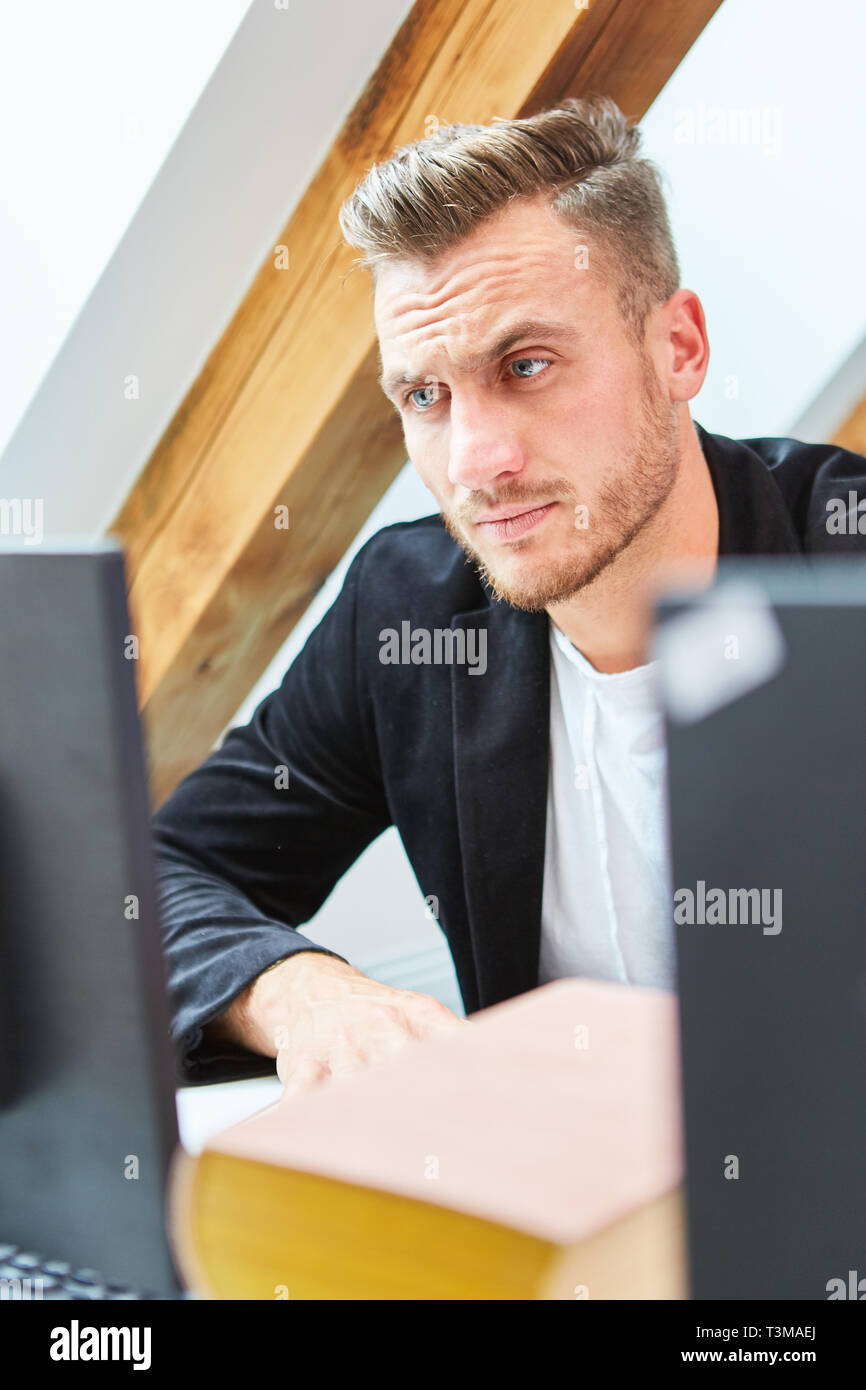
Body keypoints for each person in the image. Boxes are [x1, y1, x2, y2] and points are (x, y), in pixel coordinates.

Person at [152, 95, 866, 1092]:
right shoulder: (408, 615)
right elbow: (150, 883)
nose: (476, 461)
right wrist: (296, 989)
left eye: (525, 364)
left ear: (679, 349)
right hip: (557, 1224)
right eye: (425, 397)